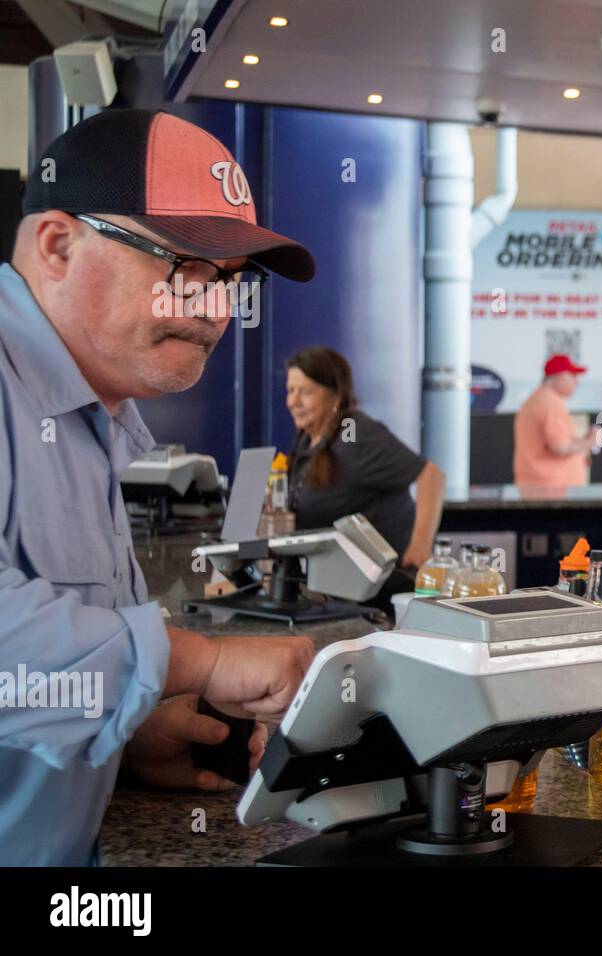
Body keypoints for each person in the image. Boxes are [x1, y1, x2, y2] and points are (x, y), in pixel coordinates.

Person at [0, 108, 317, 865]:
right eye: (185, 269)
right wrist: (196, 662)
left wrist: (131, 726)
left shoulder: (93, 415)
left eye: (230, 282)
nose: (215, 312)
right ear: (57, 245)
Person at [284, 346, 445, 599]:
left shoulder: (354, 433)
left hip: (382, 590)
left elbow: (431, 475)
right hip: (339, 588)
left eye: (305, 392)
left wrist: (420, 546)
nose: (293, 402)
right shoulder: (306, 442)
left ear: (334, 397)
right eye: (291, 391)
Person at [512, 353, 600, 494]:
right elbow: (559, 448)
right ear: (560, 377)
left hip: (540, 487)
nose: (577, 383)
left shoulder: (538, 399)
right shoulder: (550, 403)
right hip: (550, 491)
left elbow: (558, 443)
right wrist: (590, 441)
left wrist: (582, 441)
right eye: (573, 376)